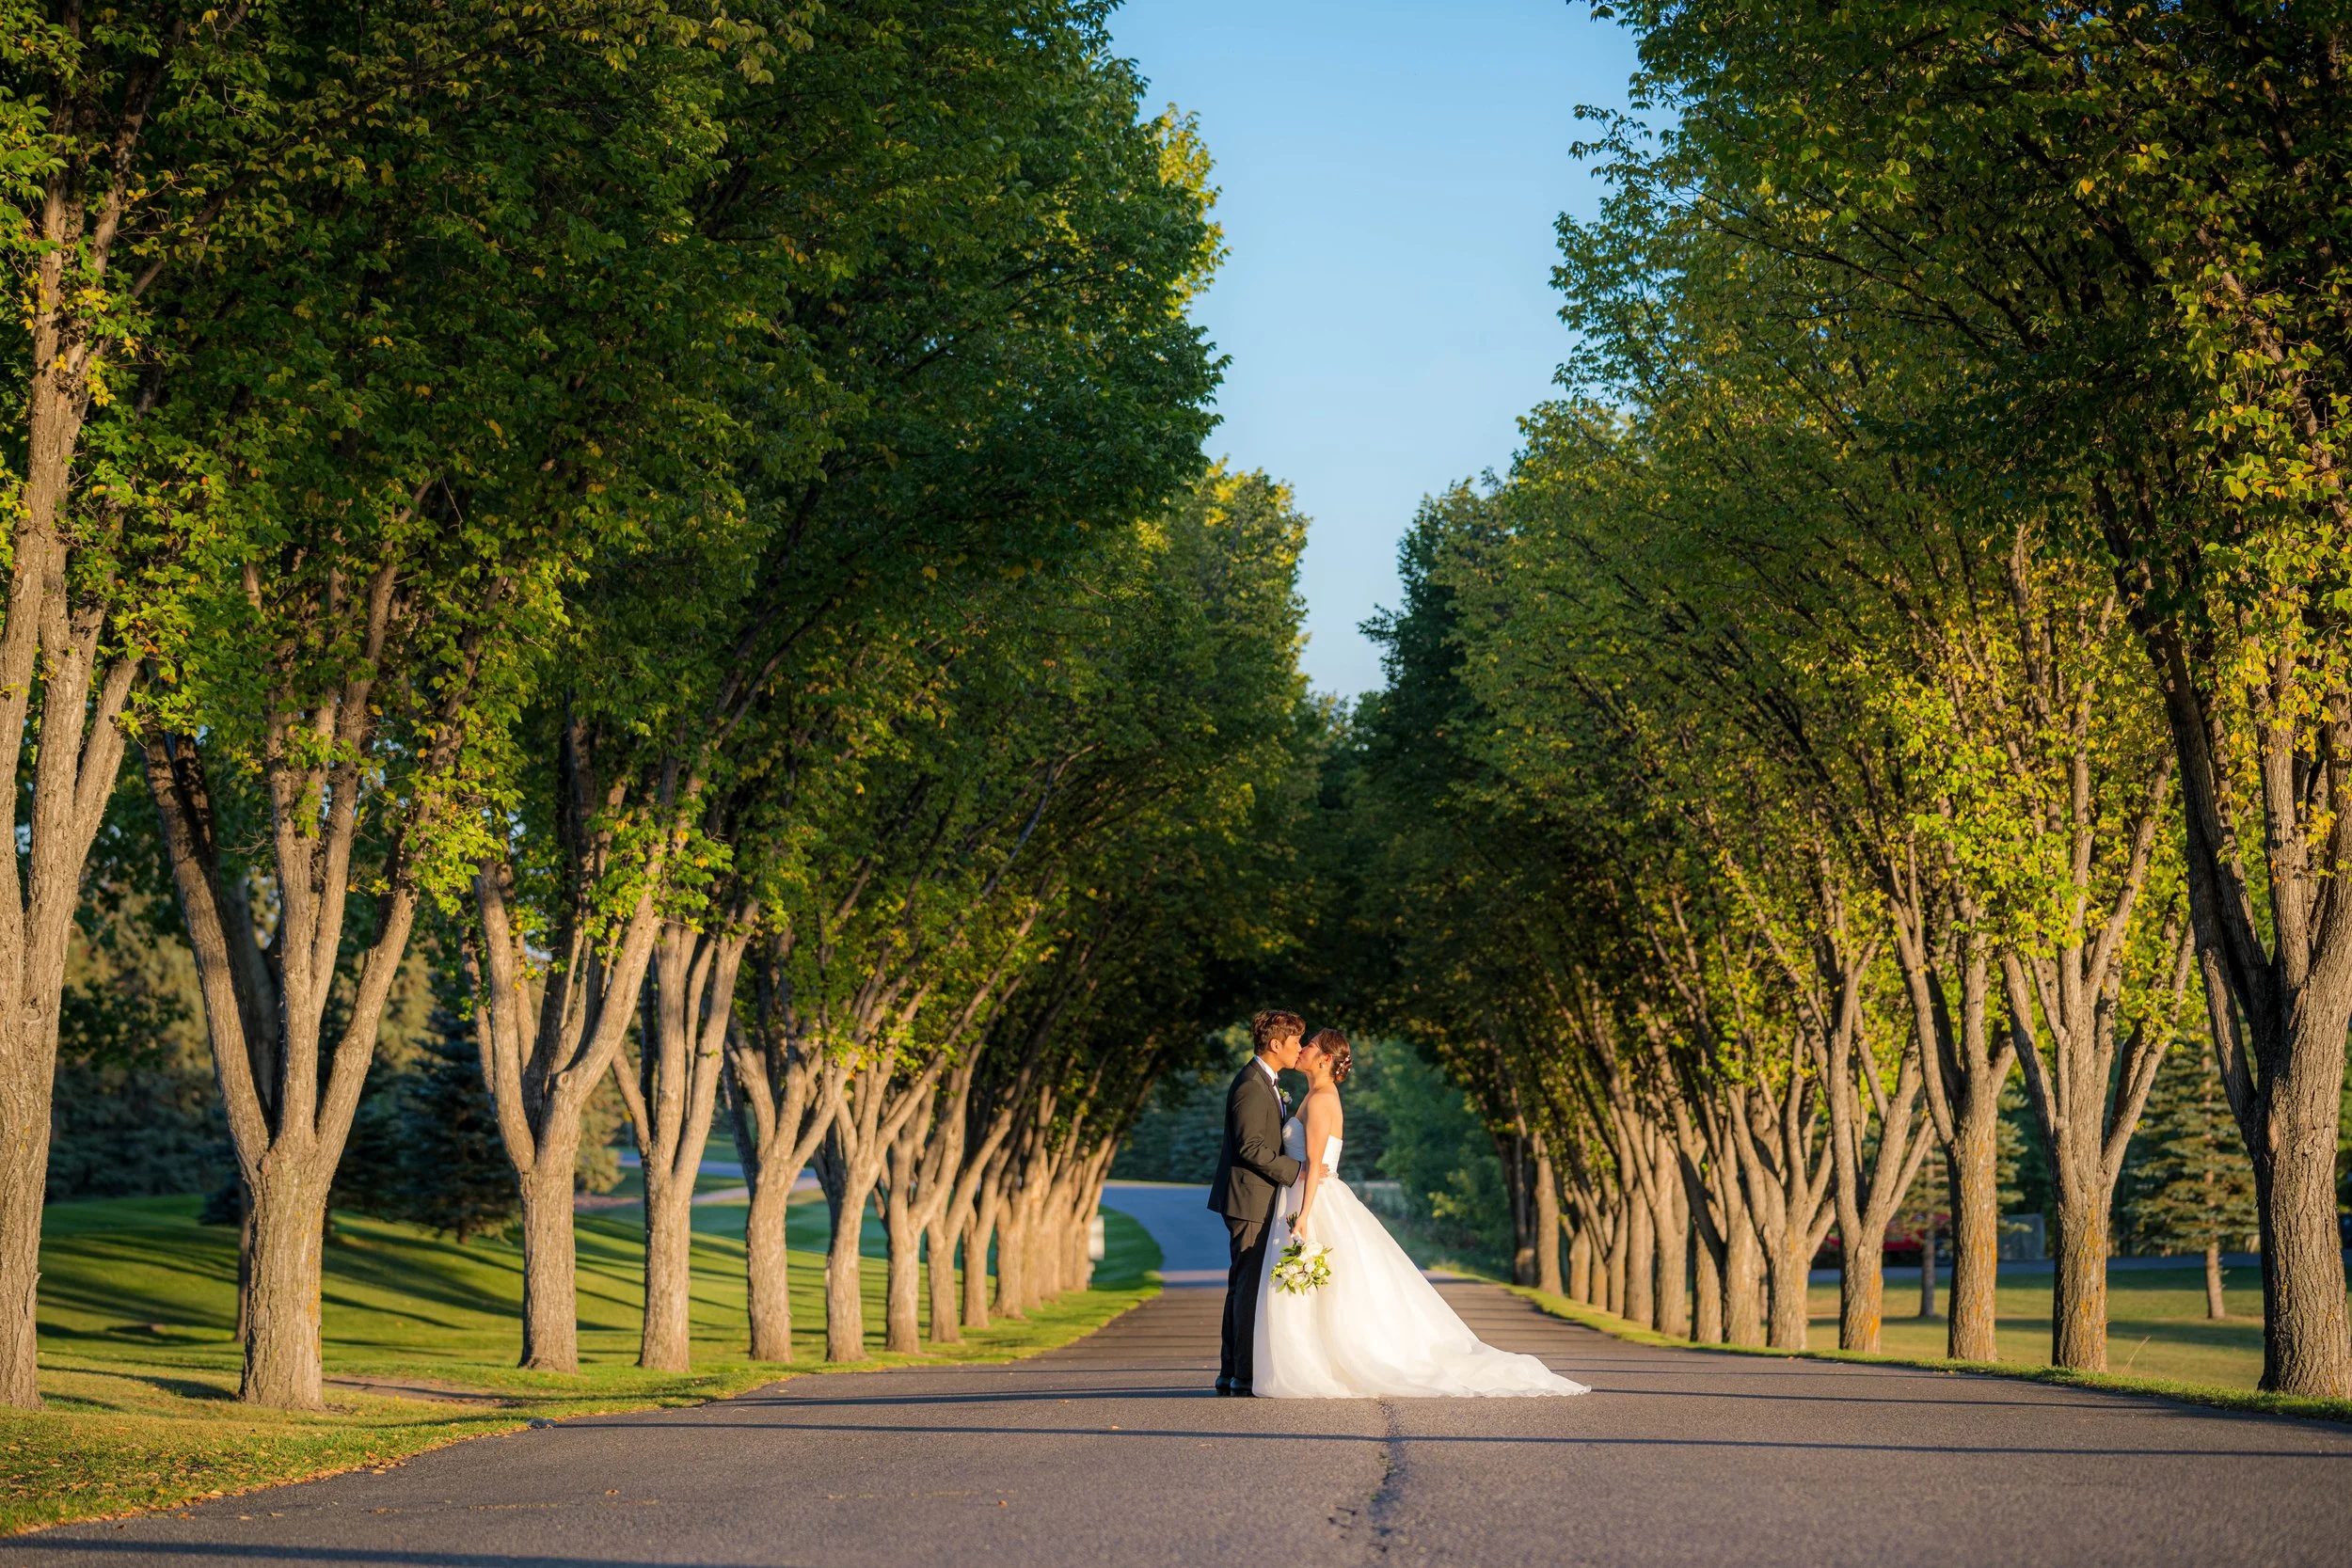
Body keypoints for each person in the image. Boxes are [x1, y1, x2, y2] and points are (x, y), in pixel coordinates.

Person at [1253, 1029, 1589, 1399]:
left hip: (1314, 1200)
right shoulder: (1315, 1095)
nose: (1302, 1049)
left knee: (1319, 1283)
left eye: (1310, 1044)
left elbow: (1315, 1164)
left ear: (1325, 1059)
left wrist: (1304, 1215)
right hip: (1310, 1193)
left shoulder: (1321, 1100)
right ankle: (1313, 1360)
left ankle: (1322, 1363)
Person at [1206, 1008, 1304, 1396]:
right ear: (1275, 1043)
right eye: (1295, 1040)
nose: (1299, 1047)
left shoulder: (1268, 1081)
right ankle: (1241, 1375)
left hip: (1255, 1196)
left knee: (1243, 1284)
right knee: (1246, 1286)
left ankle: (1232, 1372)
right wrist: (1295, 1171)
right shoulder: (1250, 1083)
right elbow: (1251, 1147)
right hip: (1249, 1198)